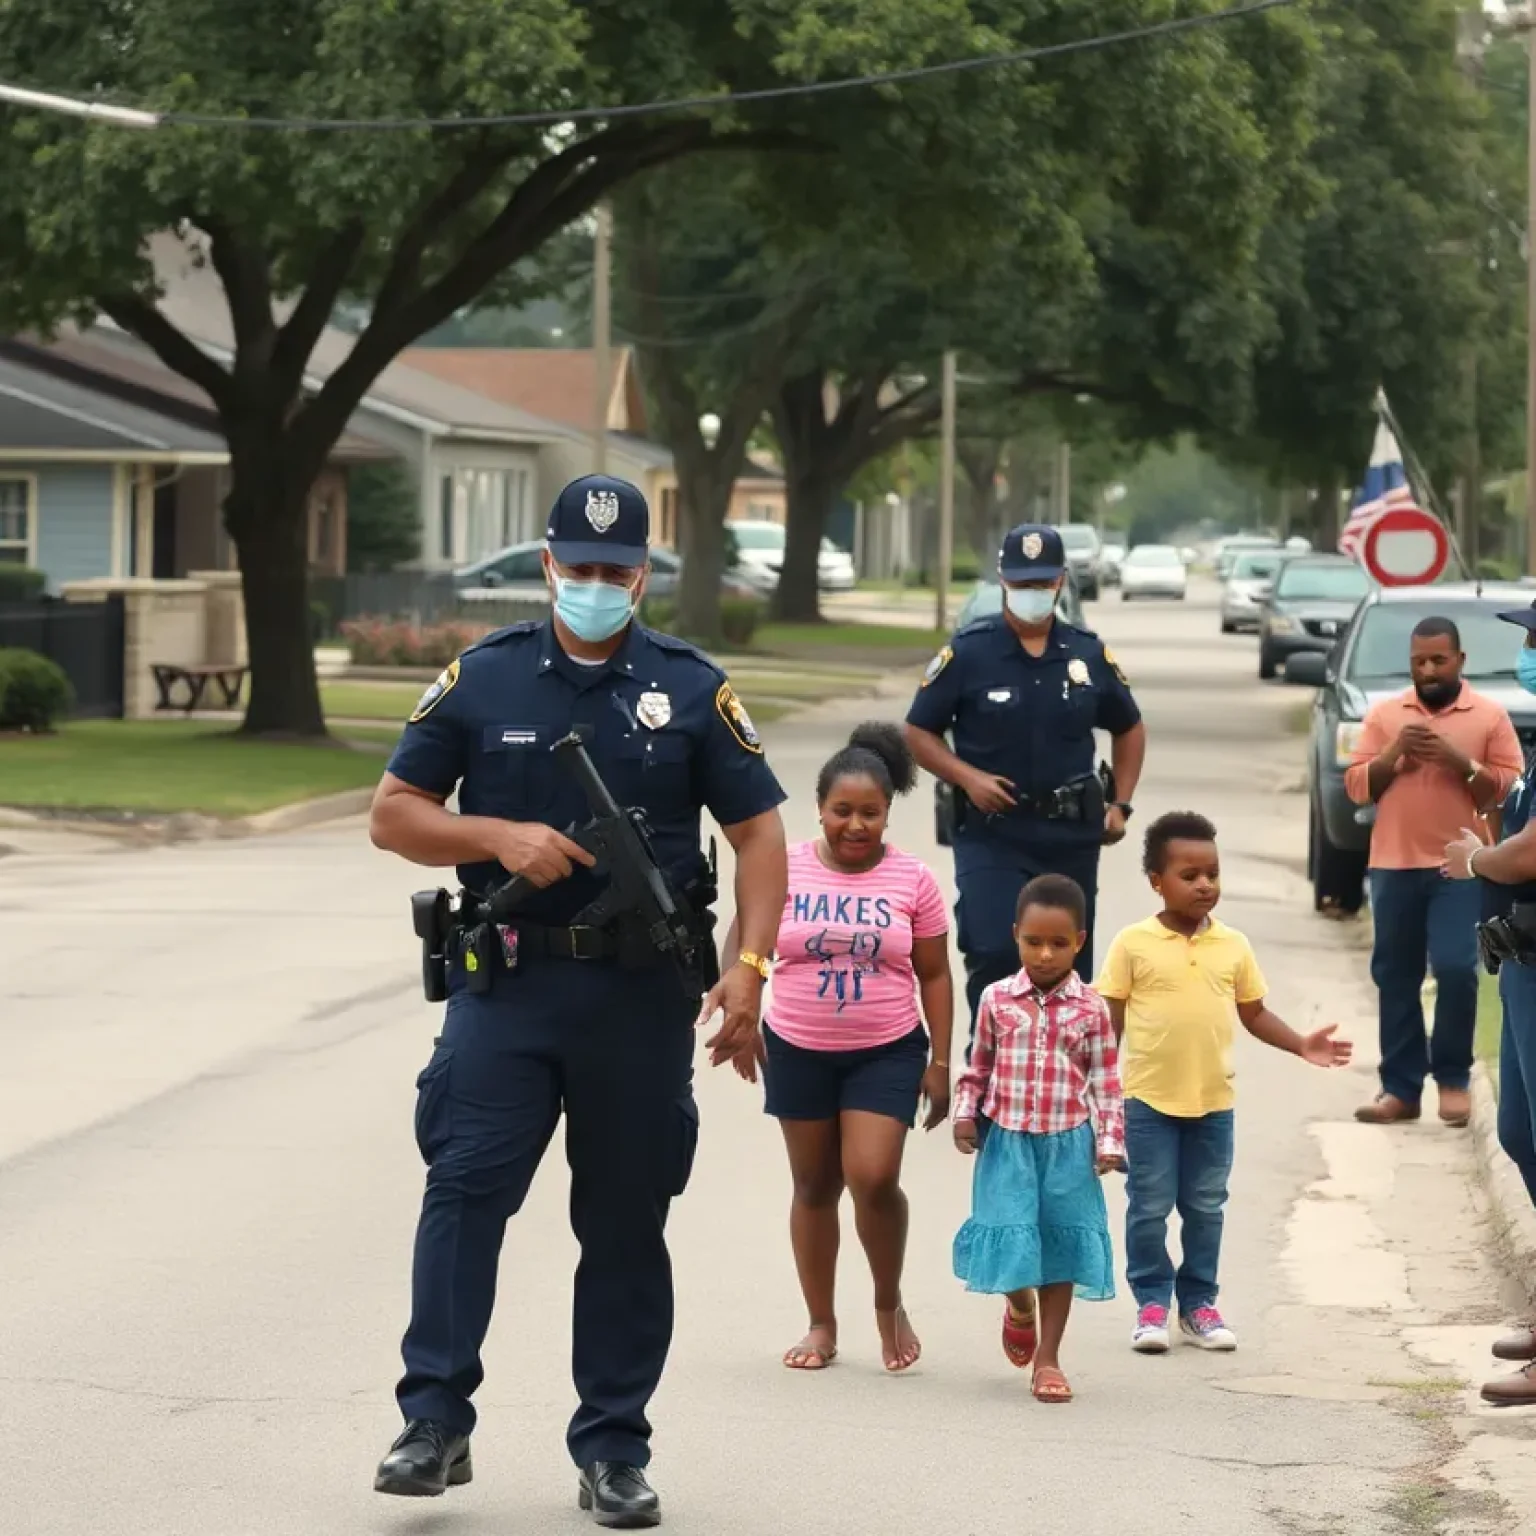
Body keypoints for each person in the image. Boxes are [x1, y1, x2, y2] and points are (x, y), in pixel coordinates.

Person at [367, 474, 789, 1528]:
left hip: (641, 1000)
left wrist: (751, 968)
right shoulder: (485, 677)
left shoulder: (692, 688)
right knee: (463, 1197)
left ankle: (612, 1449)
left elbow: (760, 837)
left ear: (644, 573)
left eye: (618, 570)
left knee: (626, 1223)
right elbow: (393, 814)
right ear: (547, 562)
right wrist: (493, 836)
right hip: (507, 989)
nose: (598, 584)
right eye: (580, 566)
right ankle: (433, 1424)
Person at [718, 721, 954, 1374]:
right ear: (820, 808)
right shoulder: (783, 867)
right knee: (814, 1184)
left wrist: (940, 1062)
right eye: (842, 811)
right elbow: (746, 942)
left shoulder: (913, 881)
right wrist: (743, 1014)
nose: (856, 825)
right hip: (797, 1045)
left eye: (870, 813)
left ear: (888, 812)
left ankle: (887, 1301)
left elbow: (935, 974)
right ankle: (821, 1322)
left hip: (887, 1049)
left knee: (873, 1178)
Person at [1096, 812, 1352, 1355]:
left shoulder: (1233, 946)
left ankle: (1198, 1305)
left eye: (1212, 873)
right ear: (1156, 882)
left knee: (1206, 1208)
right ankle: (1150, 1303)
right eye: (1189, 875)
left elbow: (1254, 1013)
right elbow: (1109, 1023)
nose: (1205, 884)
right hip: (1146, 1104)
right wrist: (1093, 1094)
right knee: (1149, 1206)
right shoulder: (1132, 944)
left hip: (1214, 1104)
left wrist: (1302, 1043)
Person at [903, 523, 1146, 1042]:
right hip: (993, 831)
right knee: (993, 948)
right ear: (1001, 580)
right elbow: (917, 731)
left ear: (1061, 581)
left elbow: (1129, 726)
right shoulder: (969, 652)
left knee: (1065, 964)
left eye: (1041, 584)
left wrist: (1120, 804)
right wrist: (967, 778)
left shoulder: (1087, 654)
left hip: (1071, 835)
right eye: (1021, 583)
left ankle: (1062, 1087)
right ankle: (989, 1087)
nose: (1031, 595)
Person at [951, 873, 1124, 1405]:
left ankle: (1048, 1358)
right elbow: (977, 1064)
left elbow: (1107, 1080)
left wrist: (1109, 1140)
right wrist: (965, 1113)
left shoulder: (1092, 1008)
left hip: (1067, 1146)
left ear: (1079, 941)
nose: (1045, 954)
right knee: (1008, 1236)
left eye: (1057, 943)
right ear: (1015, 936)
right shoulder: (996, 999)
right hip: (1007, 1143)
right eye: (1033, 942)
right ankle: (1019, 1305)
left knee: (1061, 1247)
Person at [1344, 616, 1522, 1128]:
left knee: (1455, 969)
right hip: (1394, 863)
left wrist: (1457, 760)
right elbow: (1358, 786)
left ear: (1459, 661)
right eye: (1419, 661)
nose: (1427, 670)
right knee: (1395, 975)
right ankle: (1399, 1088)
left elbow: (1506, 791)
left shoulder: (1488, 717)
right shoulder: (1384, 716)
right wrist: (1396, 753)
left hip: (1461, 870)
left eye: (1438, 660)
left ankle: (1452, 1079)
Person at [1443, 595, 1536, 1405]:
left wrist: (1478, 858)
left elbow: (1529, 855)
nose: (1528, 652)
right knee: (1517, 1129)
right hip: (1523, 963)